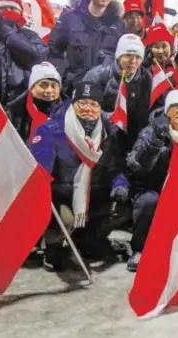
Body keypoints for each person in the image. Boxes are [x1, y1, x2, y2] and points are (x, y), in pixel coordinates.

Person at [30, 82, 121, 271]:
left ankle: (85, 240)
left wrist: (120, 185)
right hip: (61, 197)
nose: (88, 108)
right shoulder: (51, 130)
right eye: (82, 103)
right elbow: (39, 173)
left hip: (93, 195)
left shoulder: (107, 133)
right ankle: (53, 247)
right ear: (72, 105)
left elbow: (114, 167)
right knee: (64, 217)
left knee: (122, 208)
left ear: (100, 109)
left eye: (93, 104)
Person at [123, 90, 178, 271]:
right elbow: (136, 165)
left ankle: (176, 249)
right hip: (150, 187)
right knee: (149, 202)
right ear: (167, 110)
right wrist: (157, 140)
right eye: (176, 107)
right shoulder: (151, 130)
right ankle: (140, 249)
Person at [48, 0, 125, 97]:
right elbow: (54, 50)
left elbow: (122, 57)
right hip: (72, 87)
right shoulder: (70, 18)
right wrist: (62, 75)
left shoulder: (119, 24)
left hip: (103, 88)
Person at [83, 34, 151, 155]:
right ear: (118, 56)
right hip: (101, 130)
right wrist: (108, 118)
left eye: (137, 56)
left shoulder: (146, 77)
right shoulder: (98, 74)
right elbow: (82, 106)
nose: (133, 61)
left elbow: (148, 109)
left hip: (132, 132)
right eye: (128, 55)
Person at [7, 61, 63, 143]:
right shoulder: (14, 112)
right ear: (32, 88)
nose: (49, 90)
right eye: (43, 85)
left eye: (54, 85)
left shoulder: (68, 114)